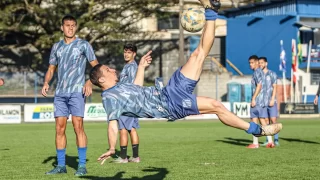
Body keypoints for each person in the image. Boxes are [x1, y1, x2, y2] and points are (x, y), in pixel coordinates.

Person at [89, 0, 282, 164]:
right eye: (108, 70)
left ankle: (211, 11)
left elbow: (137, 89)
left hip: (169, 90)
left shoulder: (120, 83)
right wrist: (111, 147)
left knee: (199, 54)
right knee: (216, 105)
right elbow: (112, 124)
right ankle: (258, 130)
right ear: (102, 79)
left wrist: (141, 67)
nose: (112, 69)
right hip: (171, 104)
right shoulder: (109, 97)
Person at [41, 15, 99, 176]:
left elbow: (96, 66)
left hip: (77, 91)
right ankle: (61, 166)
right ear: (62, 27)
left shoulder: (83, 45)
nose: (70, 28)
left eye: (73, 25)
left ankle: (81, 166)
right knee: (59, 129)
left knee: (77, 126)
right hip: (60, 93)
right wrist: (46, 82)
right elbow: (51, 69)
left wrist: (89, 81)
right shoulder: (56, 47)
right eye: (67, 25)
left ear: (76, 27)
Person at [113, 44, 141, 163]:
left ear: (134, 54)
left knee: (123, 129)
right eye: (125, 51)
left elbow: (133, 85)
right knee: (132, 129)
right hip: (131, 101)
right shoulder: (128, 66)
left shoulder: (132, 67)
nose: (126, 54)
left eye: (129, 52)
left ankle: (123, 157)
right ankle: (135, 157)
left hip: (127, 102)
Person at [246, 55, 274, 149]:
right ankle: (270, 142)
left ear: (257, 62)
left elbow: (259, 86)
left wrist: (253, 98)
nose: (250, 64)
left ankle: (255, 143)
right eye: (249, 63)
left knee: (254, 121)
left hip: (257, 101)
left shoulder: (257, 72)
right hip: (262, 101)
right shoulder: (261, 72)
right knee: (263, 121)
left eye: (252, 62)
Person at [259, 57, 279, 147]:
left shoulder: (272, 74)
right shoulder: (258, 75)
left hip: (271, 101)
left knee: (273, 120)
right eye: (259, 63)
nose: (260, 64)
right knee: (265, 121)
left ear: (266, 63)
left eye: (262, 63)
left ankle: (276, 139)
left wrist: (272, 99)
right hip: (262, 102)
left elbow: (275, 87)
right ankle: (268, 140)